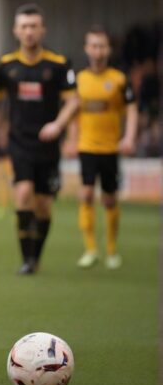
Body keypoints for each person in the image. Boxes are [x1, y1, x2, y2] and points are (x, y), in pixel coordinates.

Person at [0, 4, 79, 275]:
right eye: (24, 26)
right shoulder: (6, 66)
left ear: (42, 30)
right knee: (23, 194)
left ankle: (37, 254)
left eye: (33, 26)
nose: (29, 32)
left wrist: (59, 125)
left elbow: (73, 101)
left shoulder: (59, 64)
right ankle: (27, 260)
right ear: (15, 31)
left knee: (44, 205)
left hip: (48, 144)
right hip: (19, 141)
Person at [64, 27, 137, 270]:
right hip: (87, 146)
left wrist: (129, 137)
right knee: (85, 194)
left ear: (109, 49)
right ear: (86, 49)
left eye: (102, 46)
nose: (98, 51)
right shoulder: (78, 79)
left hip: (110, 148)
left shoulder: (118, 79)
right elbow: (73, 112)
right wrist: (71, 139)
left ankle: (112, 250)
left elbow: (132, 109)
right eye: (93, 45)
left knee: (109, 199)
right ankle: (90, 249)